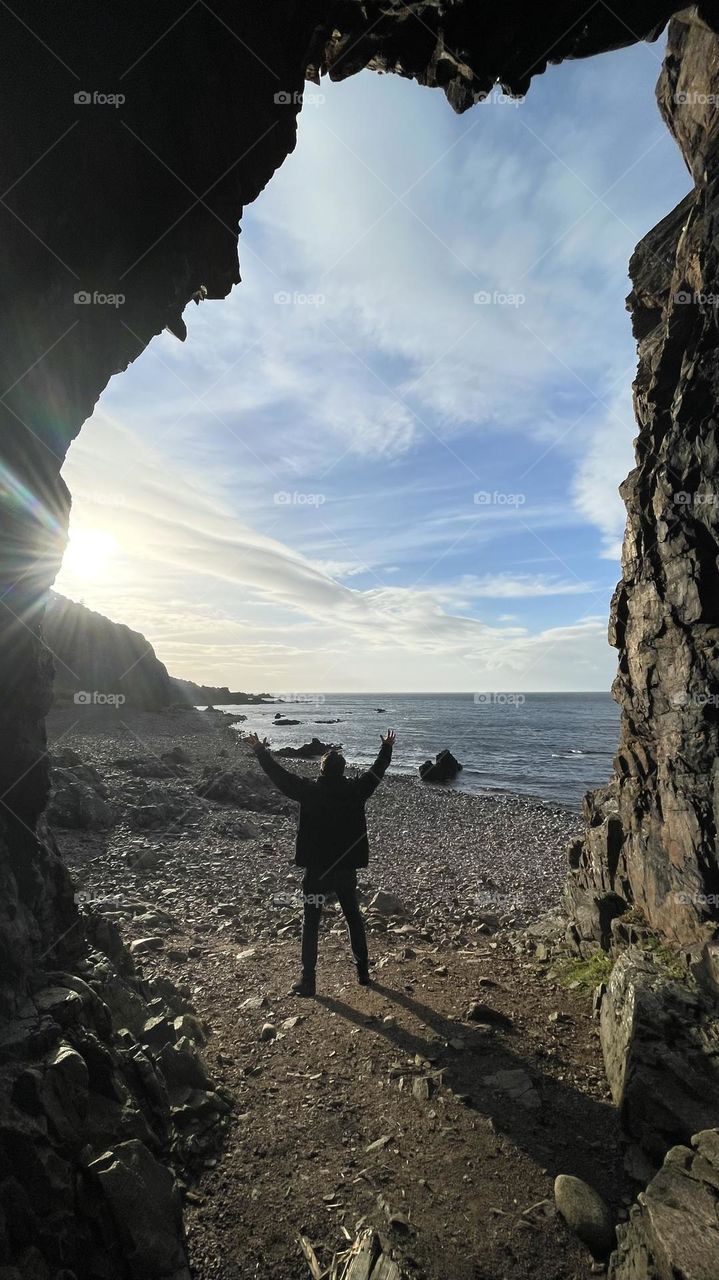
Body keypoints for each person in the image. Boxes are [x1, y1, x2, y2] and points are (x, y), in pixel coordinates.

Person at [246, 730, 396, 996]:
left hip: (317, 870)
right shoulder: (356, 790)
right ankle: (362, 973)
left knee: (311, 921)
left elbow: (280, 777)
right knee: (352, 917)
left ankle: (309, 981)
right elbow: (376, 772)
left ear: (323, 769)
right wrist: (386, 748)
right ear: (342, 770)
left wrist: (260, 751)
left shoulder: (309, 790)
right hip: (345, 869)